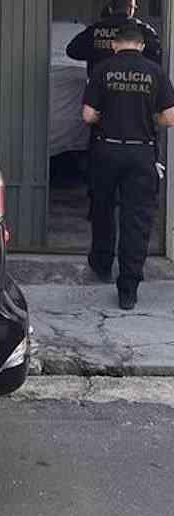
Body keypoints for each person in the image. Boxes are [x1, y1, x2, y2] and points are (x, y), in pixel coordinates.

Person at [82, 22, 174, 310]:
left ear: (114, 45)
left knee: (103, 208)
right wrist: (149, 119)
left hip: (107, 148)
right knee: (136, 220)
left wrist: (106, 117)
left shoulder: (102, 70)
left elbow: (87, 115)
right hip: (141, 152)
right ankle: (128, 290)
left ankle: (101, 264)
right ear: (142, 46)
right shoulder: (156, 72)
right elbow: (170, 117)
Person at [67, 0, 161, 76]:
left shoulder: (94, 29)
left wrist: (96, 52)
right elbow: (157, 56)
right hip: (131, 84)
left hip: (100, 84)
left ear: (110, 8)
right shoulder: (142, 30)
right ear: (130, 9)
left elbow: (72, 50)